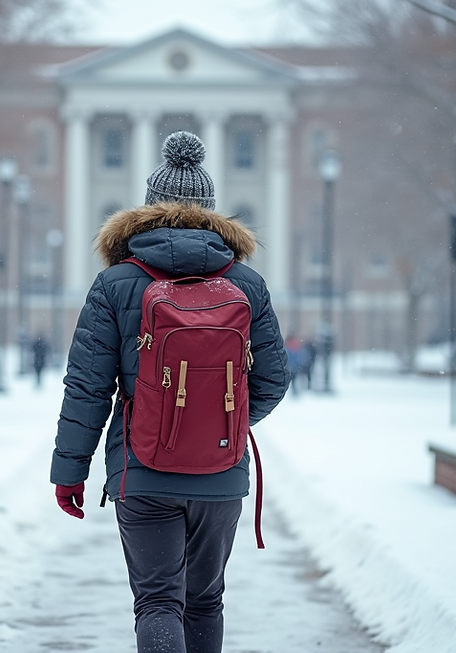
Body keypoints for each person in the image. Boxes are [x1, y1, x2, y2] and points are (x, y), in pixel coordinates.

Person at [50, 131, 290, 653]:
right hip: (221, 474)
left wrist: (70, 473)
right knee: (205, 601)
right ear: (210, 211)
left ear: (148, 208)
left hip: (143, 470)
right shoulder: (246, 284)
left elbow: (87, 388)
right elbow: (273, 380)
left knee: (158, 602)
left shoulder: (116, 283)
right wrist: (219, 423)